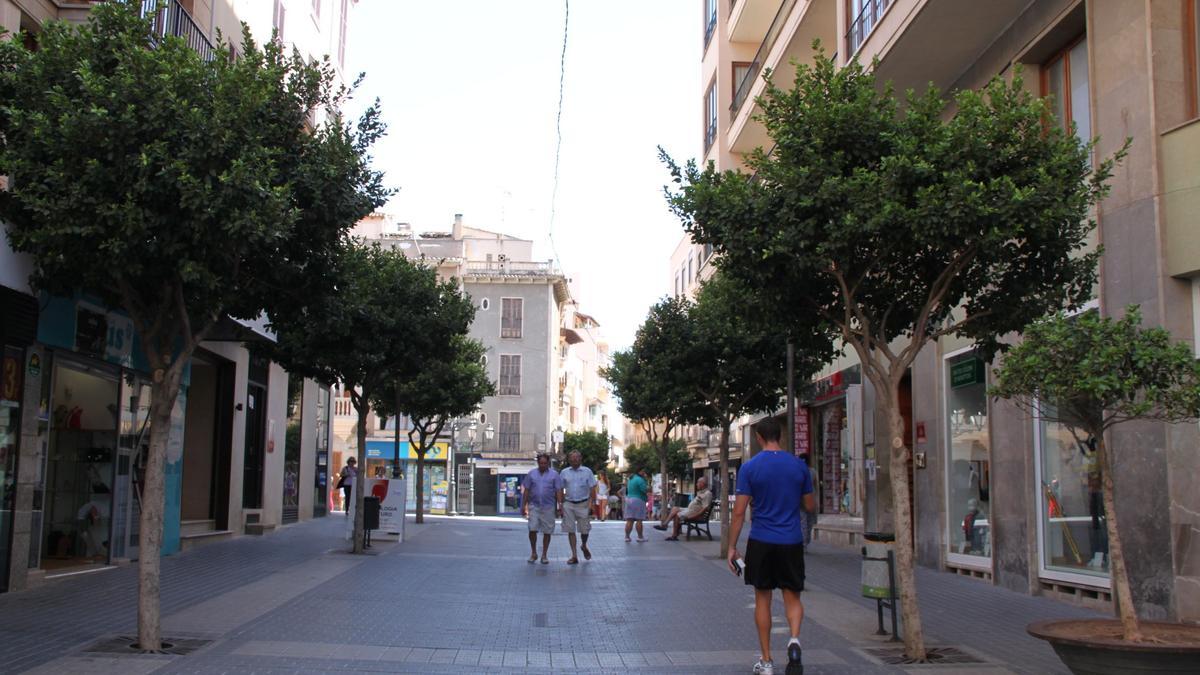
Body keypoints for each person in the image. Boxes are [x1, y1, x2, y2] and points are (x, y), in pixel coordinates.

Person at [726, 417, 815, 675]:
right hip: (791, 541)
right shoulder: (798, 467)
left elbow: (740, 512)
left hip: (762, 541)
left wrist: (732, 547)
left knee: (762, 599)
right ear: (780, 436)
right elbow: (809, 506)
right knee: (793, 596)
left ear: (759, 437)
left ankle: (766, 662)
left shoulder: (750, 468)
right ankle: (794, 640)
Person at [521, 454, 562, 564]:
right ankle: (533, 552)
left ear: (548, 463)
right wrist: (523, 505)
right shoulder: (531, 474)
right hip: (534, 506)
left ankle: (544, 554)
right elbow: (527, 490)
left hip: (548, 507)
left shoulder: (554, 475)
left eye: (545, 463)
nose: (543, 465)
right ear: (538, 463)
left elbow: (558, 490)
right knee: (532, 529)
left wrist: (560, 505)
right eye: (541, 463)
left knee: (547, 531)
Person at [559, 450, 597, 564]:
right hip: (569, 504)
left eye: (577, 458)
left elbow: (592, 489)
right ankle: (574, 555)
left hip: (583, 503)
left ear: (581, 459)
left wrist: (591, 504)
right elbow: (560, 488)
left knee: (585, 529)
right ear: (569, 460)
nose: (574, 460)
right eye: (572, 458)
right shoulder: (564, 472)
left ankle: (584, 545)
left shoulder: (587, 471)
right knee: (570, 529)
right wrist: (561, 503)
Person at [654, 476, 712, 541]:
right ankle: (665, 524)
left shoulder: (707, 494)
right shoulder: (701, 492)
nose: (696, 484)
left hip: (695, 513)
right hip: (690, 510)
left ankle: (674, 535)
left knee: (677, 515)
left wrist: (692, 517)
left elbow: (704, 508)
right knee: (675, 508)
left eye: (698, 482)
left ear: (703, 484)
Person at [623, 468, 650, 543]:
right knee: (639, 520)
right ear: (639, 471)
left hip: (629, 500)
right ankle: (640, 537)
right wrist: (648, 487)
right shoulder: (640, 480)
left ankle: (627, 537)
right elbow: (644, 489)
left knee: (629, 520)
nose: (644, 472)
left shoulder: (631, 479)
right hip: (638, 500)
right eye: (643, 471)